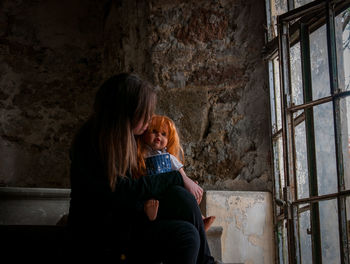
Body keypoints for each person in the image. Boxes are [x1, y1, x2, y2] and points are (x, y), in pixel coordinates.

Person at [67, 73, 218, 264]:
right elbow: (120, 192)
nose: (149, 121)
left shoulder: (125, 137)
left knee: (182, 197)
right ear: (127, 112)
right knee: (187, 236)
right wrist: (175, 177)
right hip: (104, 233)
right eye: (144, 114)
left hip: (129, 217)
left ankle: (207, 262)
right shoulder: (93, 140)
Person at [136, 115, 216, 232]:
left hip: (169, 189)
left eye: (164, 134)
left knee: (185, 198)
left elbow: (180, 172)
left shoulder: (168, 157)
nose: (158, 136)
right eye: (154, 131)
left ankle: (201, 219)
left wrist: (188, 182)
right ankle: (150, 214)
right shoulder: (142, 154)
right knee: (151, 202)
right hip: (152, 188)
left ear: (169, 140)